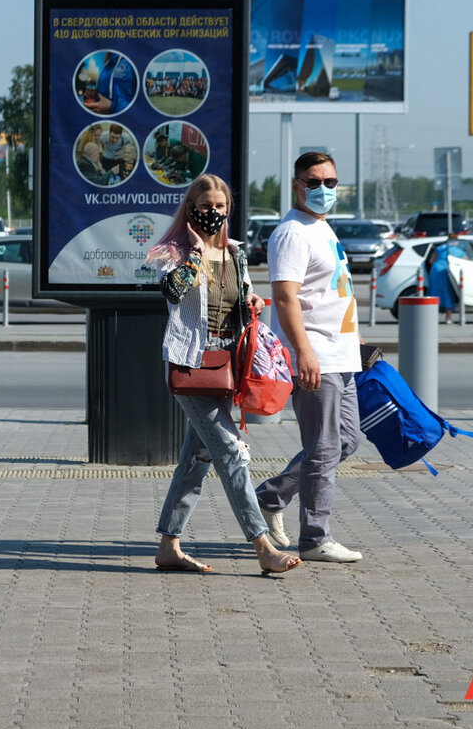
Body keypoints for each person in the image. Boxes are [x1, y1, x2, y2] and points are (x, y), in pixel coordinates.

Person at [145, 174, 301, 576]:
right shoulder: (172, 252)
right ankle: (263, 546)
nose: (213, 212)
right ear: (190, 208)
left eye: (220, 206)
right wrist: (196, 251)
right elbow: (175, 292)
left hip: (227, 367)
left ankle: (168, 547)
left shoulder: (236, 253)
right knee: (231, 453)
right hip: (191, 364)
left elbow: (239, 297)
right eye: (205, 206)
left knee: (196, 462)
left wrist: (251, 300)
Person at [255, 151, 365, 564]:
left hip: (342, 355)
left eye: (331, 183)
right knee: (322, 448)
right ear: (296, 184)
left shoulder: (322, 228)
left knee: (346, 441)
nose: (323, 190)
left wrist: (358, 342)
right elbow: (285, 297)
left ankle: (269, 496)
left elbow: (335, 291)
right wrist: (303, 353)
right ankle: (315, 538)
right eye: (314, 182)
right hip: (316, 355)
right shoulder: (292, 233)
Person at [425, 231, 469, 323]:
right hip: (448, 272)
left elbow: (431, 261)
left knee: (434, 293)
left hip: (436, 271)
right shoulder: (458, 251)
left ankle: (431, 318)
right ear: (456, 241)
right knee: (448, 294)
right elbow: (467, 262)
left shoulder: (440, 248)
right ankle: (448, 318)